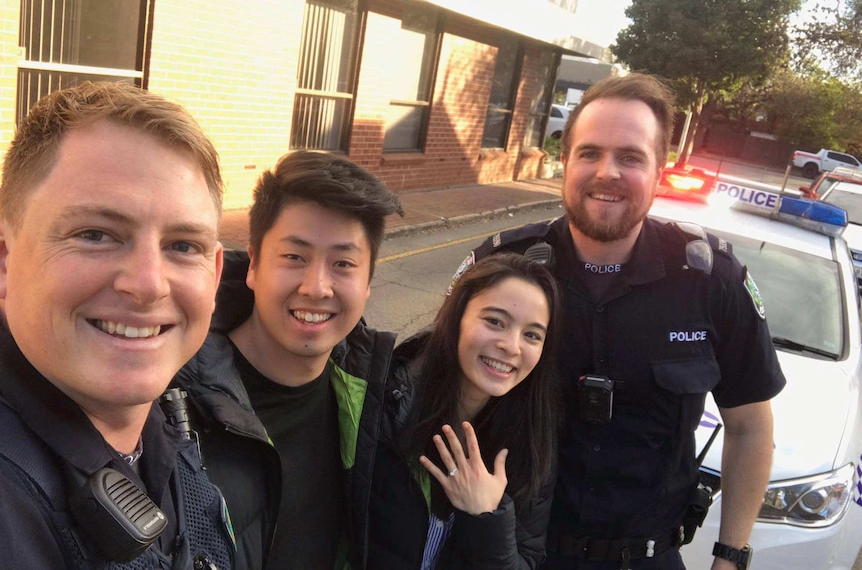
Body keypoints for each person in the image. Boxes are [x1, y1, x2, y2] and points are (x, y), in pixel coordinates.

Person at [455, 73, 785, 570]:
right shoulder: (500, 269)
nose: (606, 172)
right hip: (506, 551)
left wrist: (731, 556)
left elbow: (750, 428)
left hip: (648, 558)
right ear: (564, 162)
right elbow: (431, 396)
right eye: (589, 153)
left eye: (630, 157)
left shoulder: (711, 280)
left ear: (659, 171)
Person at [0, 82, 233, 568]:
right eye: (95, 234)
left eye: (183, 246)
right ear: (5, 258)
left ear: (214, 275)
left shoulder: (172, 423)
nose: (148, 285)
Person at [174, 150, 403, 569]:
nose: (317, 287)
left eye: (343, 263)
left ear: (368, 282)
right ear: (253, 265)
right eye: (295, 257)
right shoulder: (173, 402)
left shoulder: (375, 399)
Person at [367, 252, 563, 569]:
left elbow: (526, 558)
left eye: (532, 335)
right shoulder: (386, 408)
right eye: (495, 321)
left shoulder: (531, 436)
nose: (512, 346)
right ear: (457, 317)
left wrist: (487, 517)